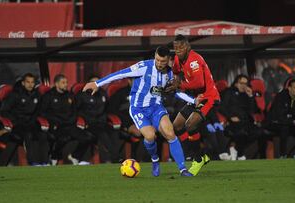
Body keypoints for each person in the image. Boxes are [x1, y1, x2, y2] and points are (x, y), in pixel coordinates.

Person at [83, 46, 194, 176]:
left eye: (162, 62)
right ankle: (155, 159)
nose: (159, 63)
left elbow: (176, 93)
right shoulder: (143, 67)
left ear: (169, 60)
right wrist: (97, 84)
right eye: (157, 60)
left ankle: (183, 169)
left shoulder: (170, 74)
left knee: (170, 133)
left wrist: (193, 101)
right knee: (150, 136)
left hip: (156, 107)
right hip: (138, 108)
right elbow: (120, 74)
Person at [166, 34, 220, 176]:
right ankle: (201, 155)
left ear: (188, 46)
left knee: (190, 125)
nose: (178, 50)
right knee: (176, 126)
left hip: (208, 97)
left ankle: (197, 159)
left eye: (181, 47)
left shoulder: (194, 60)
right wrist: (173, 80)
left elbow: (199, 83)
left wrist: (180, 85)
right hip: (196, 98)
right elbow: (176, 72)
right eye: (176, 48)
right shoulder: (178, 59)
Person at [0, 73, 49, 166]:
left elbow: (38, 112)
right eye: (28, 82)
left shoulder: (37, 95)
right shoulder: (14, 94)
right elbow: (4, 111)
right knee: (28, 135)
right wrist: (15, 121)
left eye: (32, 82)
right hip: (17, 124)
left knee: (43, 135)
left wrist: (33, 121)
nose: (30, 84)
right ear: (23, 83)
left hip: (30, 123)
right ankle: (32, 162)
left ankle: (44, 162)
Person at [40, 74, 92, 165]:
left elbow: (75, 111)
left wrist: (72, 120)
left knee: (88, 137)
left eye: (66, 82)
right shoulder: (48, 96)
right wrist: (55, 121)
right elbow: (43, 112)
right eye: (63, 83)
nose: (66, 84)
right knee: (63, 139)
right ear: (56, 84)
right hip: (56, 125)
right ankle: (54, 157)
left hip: (70, 125)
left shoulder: (70, 95)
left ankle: (75, 156)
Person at [74, 76, 120, 163]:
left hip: (102, 122)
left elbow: (107, 109)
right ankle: (113, 159)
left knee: (114, 132)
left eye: (98, 82)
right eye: (94, 83)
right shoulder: (82, 95)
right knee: (103, 134)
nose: (96, 85)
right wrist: (84, 121)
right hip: (89, 123)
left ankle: (116, 156)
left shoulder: (103, 94)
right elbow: (76, 110)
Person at [221, 74, 263, 160]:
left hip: (246, 122)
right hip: (233, 122)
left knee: (259, 132)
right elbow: (222, 107)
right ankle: (238, 153)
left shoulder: (247, 95)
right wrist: (230, 117)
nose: (243, 86)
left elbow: (253, 110)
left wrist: (251, 96)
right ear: (236, 83)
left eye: (245, 84)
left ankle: (237, 150)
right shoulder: (229, 92)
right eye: (241, 83)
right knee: (241, 132)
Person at [265, 78, 295, 158]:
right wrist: (293, 121)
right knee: (284, 128)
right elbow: (279, 116)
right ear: (289, 88)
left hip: (292, 124)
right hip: (276, 123)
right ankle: (283, 154)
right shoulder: (280, 97)